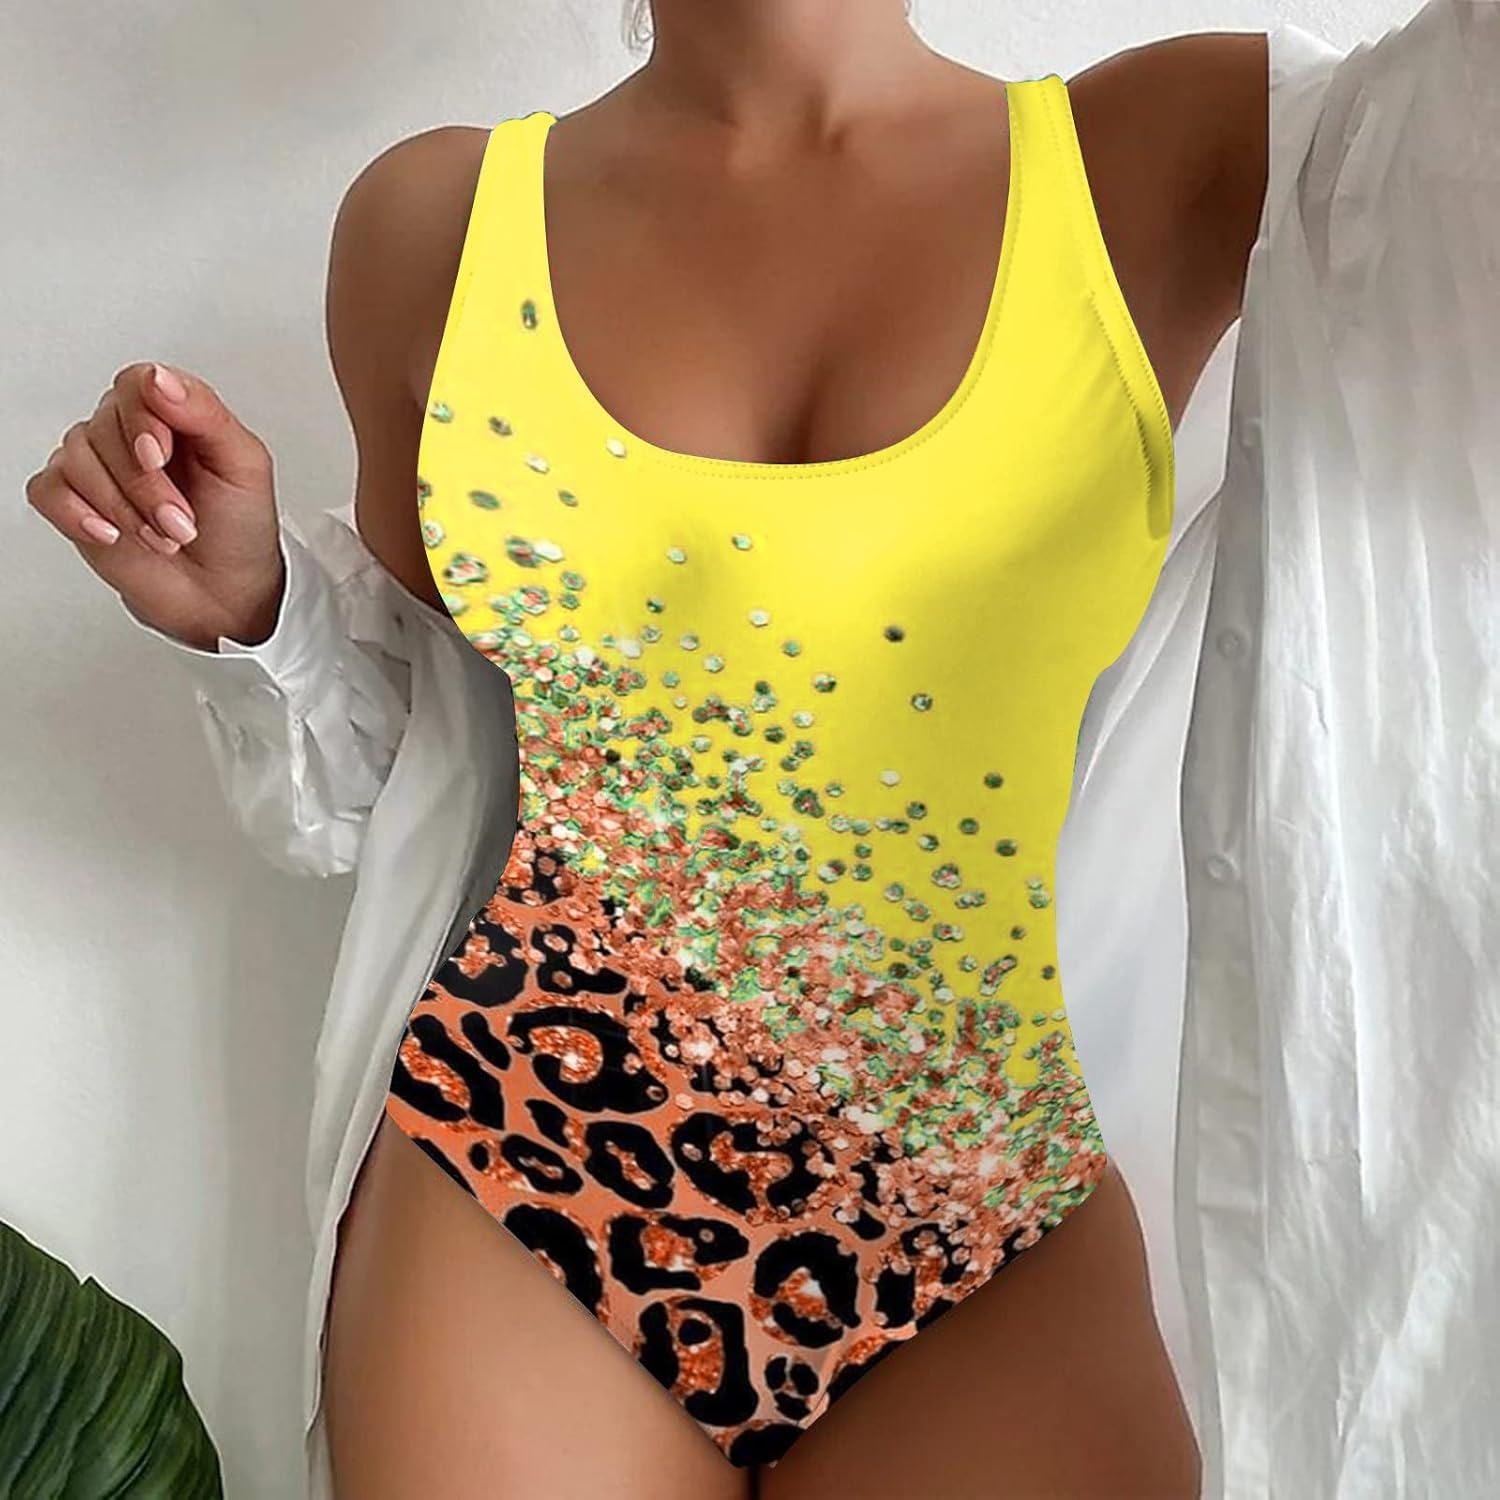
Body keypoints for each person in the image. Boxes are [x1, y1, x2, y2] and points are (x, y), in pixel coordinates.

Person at [26, 5, 1277, 1496]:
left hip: (978, 1174)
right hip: (527, 1149)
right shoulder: (431, 225)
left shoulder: (1187, 142)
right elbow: (438, 758)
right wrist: (258, 615)